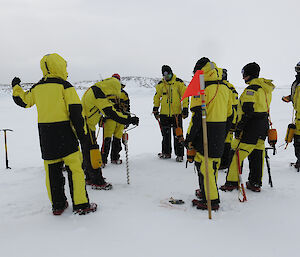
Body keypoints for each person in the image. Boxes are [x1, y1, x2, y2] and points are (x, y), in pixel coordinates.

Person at [11, 53, 97, 215]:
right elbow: (76, 113)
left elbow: (23, 101)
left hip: (46, 136)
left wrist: (16, 87)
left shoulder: (37, 88)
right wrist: (83, 136)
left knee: (52, 171)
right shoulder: (65, 86)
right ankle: (81, 204)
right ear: (60, 66)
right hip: (65, 134)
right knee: (75, 170)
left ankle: (57, 205)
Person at [185, 57, 233, 210]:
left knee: (205, 166)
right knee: (212, 165)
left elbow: (197, 116)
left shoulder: (202, 88)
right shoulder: (225, 88)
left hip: (206, 131)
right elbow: (230, 114)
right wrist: (224, 132)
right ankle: (207, 191)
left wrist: (189, 137)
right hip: (220, 130)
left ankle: (211, 200)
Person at [220, 62, 275, 193]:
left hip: (251, 127)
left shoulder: (252, 90)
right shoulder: (265, 89)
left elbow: (248, 111)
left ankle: (232, 182)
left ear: (249, 74)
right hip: (262, 126)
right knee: (257, 153)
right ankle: (255, 182)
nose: (243, 77)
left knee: (236, 153)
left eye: (244, 74)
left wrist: (239, 127)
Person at [81, 75, 139, 188]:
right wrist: (129, 119)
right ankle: (97, 181)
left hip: (86, 125)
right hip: (86, 125)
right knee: (93, 151)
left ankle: (89, 177)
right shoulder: (98, 94)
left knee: (88, 151)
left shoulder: (97, 90)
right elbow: (111, 113)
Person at [153, 65, 189, 162]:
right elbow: (157, 97)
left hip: (176, 114)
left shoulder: (178, 83)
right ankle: (166, 153)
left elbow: (185, 96)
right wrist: (155, 108)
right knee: (165, 135)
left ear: (171, 73)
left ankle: (180, 155)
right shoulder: (161, 84)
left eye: (168, 75)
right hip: (164, 114)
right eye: (165, 76)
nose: (166, 78)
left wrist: (185, 108)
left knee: (178, 135)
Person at [101, 74, 131, 166]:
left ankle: (115, 158)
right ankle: (103, 160)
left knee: (117, 139)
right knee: (107, 140)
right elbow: (101, 106)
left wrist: (127, 119)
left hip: (120, 120)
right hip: (109, 119)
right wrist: (100, 118)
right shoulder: (106, 92)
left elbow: (127, 108)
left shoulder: (124, 94)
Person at [219, 69, 239, 170]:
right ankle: (223, 161)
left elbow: (235, 106)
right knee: (223, 140)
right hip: (224, 117)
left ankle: (225, 162)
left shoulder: (228, 87)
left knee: (226, 140)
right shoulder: (221, 87)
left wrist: (233, 122)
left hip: (226, 117)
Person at [282, 61, 300, 167]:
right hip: (298, 117)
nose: (297, 72)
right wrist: (290, 98)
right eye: (297, 69)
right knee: (297, 141)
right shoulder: (297, 83)